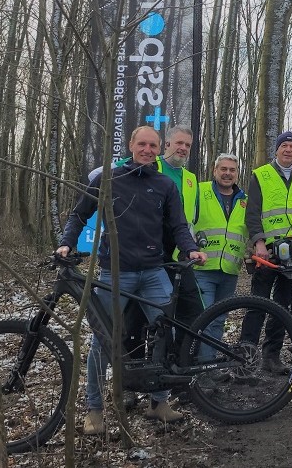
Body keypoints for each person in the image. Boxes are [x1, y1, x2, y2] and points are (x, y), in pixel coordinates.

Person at [56, 125, 207, 435]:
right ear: (131, 145)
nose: (148, 150)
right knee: (102, 341)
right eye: (143, 144)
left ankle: (159, 403)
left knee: (164, 332)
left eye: (153, 145)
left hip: (154, 272)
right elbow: (78, 215)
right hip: (116, 273)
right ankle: (95, 410)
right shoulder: (108, 179)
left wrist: (190, 249)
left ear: (158, 148)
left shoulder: (165, 184)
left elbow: (179, 225)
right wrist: (66, 243)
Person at [240, 131, 292, 375]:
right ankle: (245, 357)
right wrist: (259, 242)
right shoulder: (261, 175)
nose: (288, 150)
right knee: (257, 303)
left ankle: (272, 356)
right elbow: (252, 212)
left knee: (284, 306)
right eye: (284, 146)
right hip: (267, 252)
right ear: (277, 150)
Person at [192, 153, 248, 360]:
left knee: (218, 319)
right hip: (202, 268)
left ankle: (207, 365)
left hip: (229, 271)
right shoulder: (199, 191)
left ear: (237, 173)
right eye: (223, 169)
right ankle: (194, 365)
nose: (227, 173)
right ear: (215, 171)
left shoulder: (244, 200)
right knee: (202, 318)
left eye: (232, 170)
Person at [155, 127, 202, 336]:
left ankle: (183, 361)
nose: (183, 148)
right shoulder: (150, 165)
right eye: (179, 143)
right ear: (167, 145)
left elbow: (192, 217)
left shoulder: (191, 179)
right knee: (157, 313)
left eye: (187, 145)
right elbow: (100, 175)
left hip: (181, 254)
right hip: (154, 253)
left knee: (193, 312)